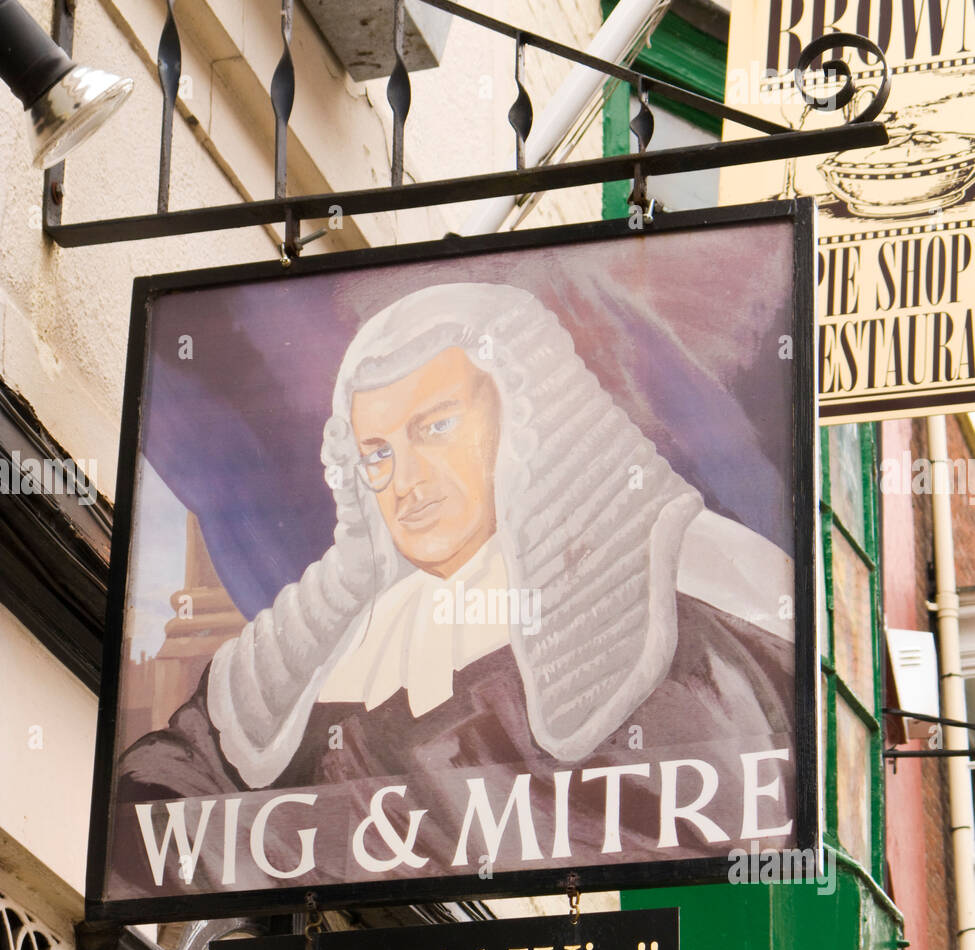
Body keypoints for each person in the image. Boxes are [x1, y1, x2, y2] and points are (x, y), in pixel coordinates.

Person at [115, 282, 796, 883]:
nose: (404, 483)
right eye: (377, 455)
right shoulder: (319, 642)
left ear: (528, 419)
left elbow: (709, 820)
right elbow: (155, 799)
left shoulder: (688, 604)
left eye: (434, 428)